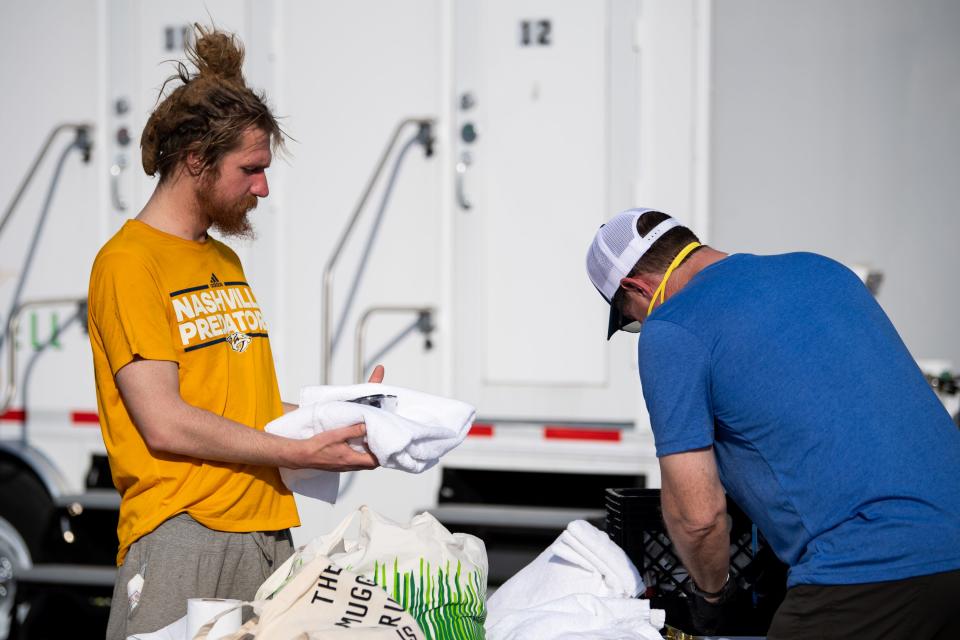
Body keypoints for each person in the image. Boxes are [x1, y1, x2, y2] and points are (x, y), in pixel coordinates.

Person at [88, 25, 379, 639]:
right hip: (182, 535)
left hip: (265, 533)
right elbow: (163, 421)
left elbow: (241, 409)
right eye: (250, 169)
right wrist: (296, 452)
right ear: (196, 160)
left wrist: (343, 415)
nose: (264, 187)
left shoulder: (224, 262)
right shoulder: (128, 263)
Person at [585, 208, 960, 639]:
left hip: (865, 570)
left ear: (636, 287)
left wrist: (712, 597)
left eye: (632, 317)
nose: (643, 325)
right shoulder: (822, 270)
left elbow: (698, 517)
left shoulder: (672, 327)